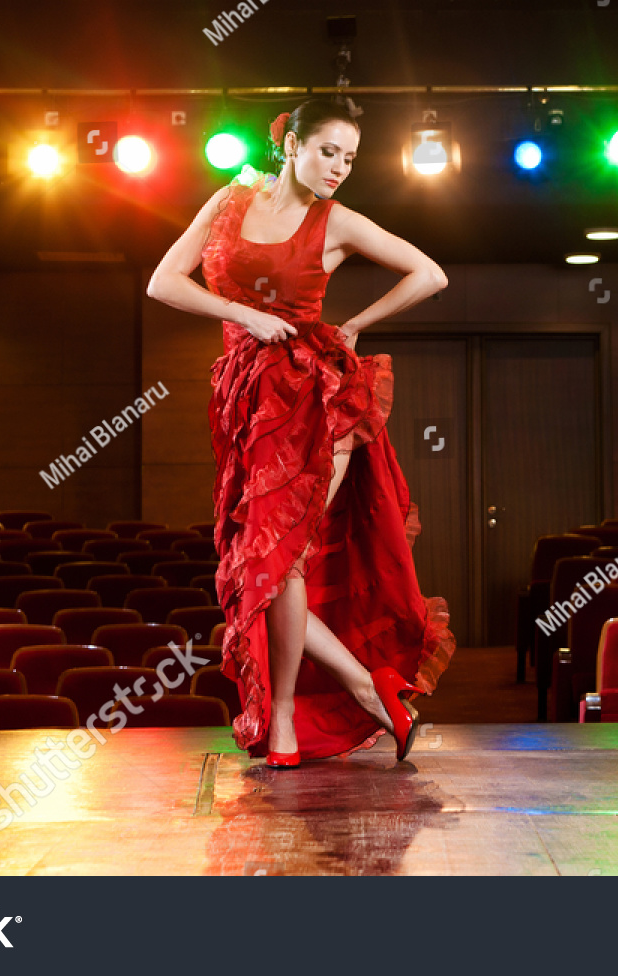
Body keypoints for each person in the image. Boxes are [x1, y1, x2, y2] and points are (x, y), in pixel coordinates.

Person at [146, 97, 455, 767]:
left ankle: (286, 717)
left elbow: (430, 273)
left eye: (349, 157)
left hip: (315, 395)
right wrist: (242, 314)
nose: (340, 166)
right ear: (291, 145)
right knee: (264, 565)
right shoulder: (231, 200)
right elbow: (164, 281)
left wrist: (356, 325)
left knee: (277, 559)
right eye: (328, 151)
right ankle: (372, 690)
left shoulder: (337, 221)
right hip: (244, 396)